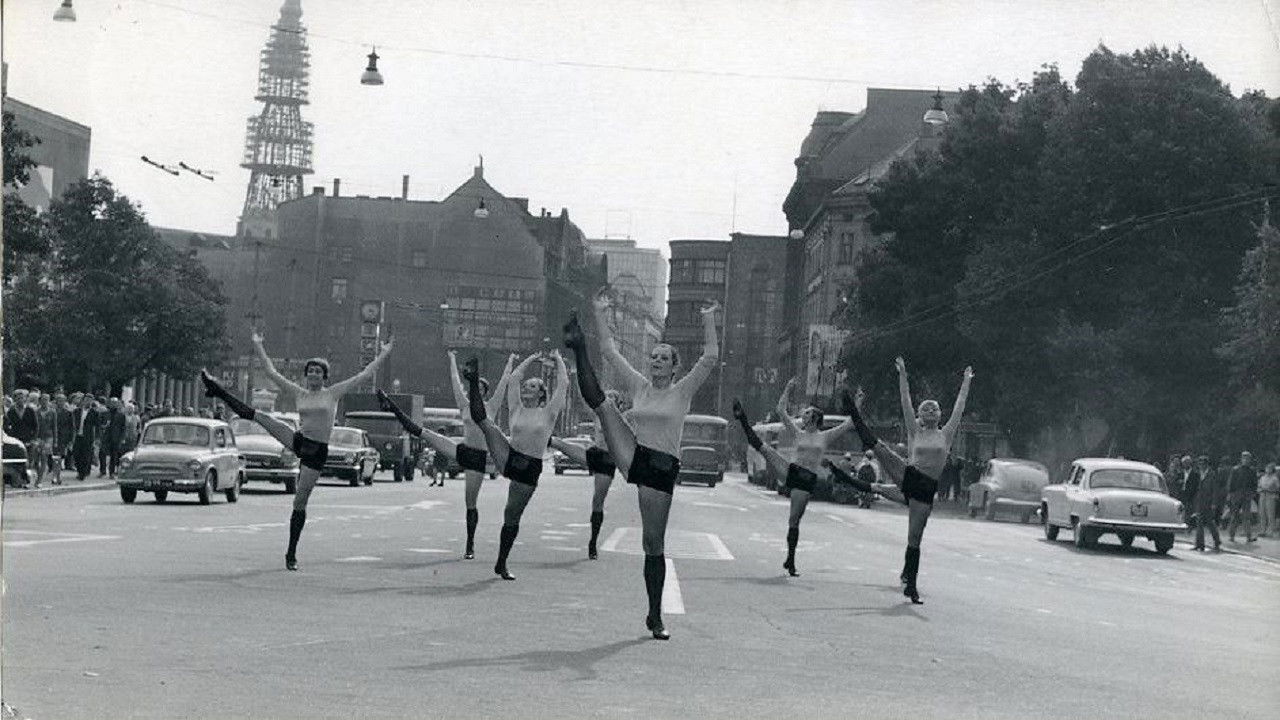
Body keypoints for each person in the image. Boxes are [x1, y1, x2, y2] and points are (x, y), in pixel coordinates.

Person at [564, 290, 720, 640]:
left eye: (664, 358)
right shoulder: (639, 386)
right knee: (604, 406)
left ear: (675, 366)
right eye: (654, 357)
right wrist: (600, 313)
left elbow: (710, 357)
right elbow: (611, 351)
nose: (657, 361)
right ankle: (577, 345)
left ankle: (654, 615)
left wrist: (709, 318)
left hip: (662, 468)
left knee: (653, 543)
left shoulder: (682, 391)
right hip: (636, 453)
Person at [200, 330, 394, 571]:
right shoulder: (300, 393)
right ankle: (215, 389)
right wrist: (258, 344)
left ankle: (291, 552)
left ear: (325, 377)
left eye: (318, 372)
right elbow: (272, 373)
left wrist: (384, 353)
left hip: (317, 451)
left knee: (300, 501)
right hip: (300, 440)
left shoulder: (333, 393)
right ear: (306, 375)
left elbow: (364, 374)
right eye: (310, 371)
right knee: (259, 416)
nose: (313, 374)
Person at [856, 357, 973, 604]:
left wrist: (966, 382)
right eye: (925, 408)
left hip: (926, 489)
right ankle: (912, 585)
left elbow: (960, 407)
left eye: (934, 408)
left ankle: (908, 577)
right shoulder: (914, 431)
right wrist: (903, 375)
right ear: (920, 415)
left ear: (940, 415)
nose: (930, 410)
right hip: (909, 476)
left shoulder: (946, 434)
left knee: (915, 538)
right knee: (882, 452)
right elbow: (905, 403)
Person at [459, 351, 568, 580]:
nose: (527, 388)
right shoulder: (516, 407)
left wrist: (558, 359)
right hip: (510, 456)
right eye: (526, 385)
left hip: (529, 467)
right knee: (486, 424)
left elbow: (563, 384)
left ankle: (501, 562)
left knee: (511, 515)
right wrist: (530, 359)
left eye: (533, 386)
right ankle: (473, 378)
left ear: (541, 394)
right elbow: (515, 378)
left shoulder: (548, 412)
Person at [731, 377, 855, 576]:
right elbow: (781, 411)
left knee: (794, 519)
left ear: (815, 418)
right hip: (792, 470)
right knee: (764, 449)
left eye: (807, 413)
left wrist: (857, 402)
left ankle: (790, 559)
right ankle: (742, 418)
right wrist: (787, 389)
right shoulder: (798, 433)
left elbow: (848, 424)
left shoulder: (825, 436)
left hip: (806, 479)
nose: (803, 416)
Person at [446, 351, 515, 557]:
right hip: (463, 449)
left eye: (480, 388)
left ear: (485, 392)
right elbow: (455, 382)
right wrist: (451, 359)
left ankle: (470, 544)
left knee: (470, 501)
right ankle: (469, 544)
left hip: (478, 455)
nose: (474, 391)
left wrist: (510, 362)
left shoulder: (491, 407)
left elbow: (503, 383)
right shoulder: (464, 405)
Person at [549, 390, 631, 560]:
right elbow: (588, 394)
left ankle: (593, 541)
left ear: (618, 404)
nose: (607, 401)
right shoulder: (598, 414)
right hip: (596, 452)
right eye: (606, 397)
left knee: (598, 500)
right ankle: (549, 440)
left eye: (612, 399)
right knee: (561, 446)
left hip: (609, 459)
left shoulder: (624, 418)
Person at [1191, 455, 1222, 552]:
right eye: (1199, 464)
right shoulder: (1198, 474)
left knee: (1210, 523)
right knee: (1199, 523)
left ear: (1206, 464)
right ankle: (1199, 544)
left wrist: (1214, 503)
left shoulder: (1212, 474)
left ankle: (1217, 541)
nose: (1201, 465)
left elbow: (1215, 490)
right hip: (1200, 501)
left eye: (1203, 463)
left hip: (1208, 502)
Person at [1227, 451, 1258, 543]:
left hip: (1247, 495)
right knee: (1234, 516)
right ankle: (1231, 535)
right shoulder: (1235, 469)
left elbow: (1254, 484)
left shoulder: (1252, 471)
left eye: (1248, 458)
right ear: (1241, 459)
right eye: (1244, 458)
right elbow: (1231, 483)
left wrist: (1253, 493)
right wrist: (1230, 494)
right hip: (1236, 495)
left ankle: (1248, 536)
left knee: (1246, 517)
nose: (1246, 460)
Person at [1257, 462, 1278, 537]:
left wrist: (1272, 490)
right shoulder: (1262, 478)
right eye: (1267, 468)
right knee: (1262, 513)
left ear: (1272, 470)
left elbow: (1278, 488)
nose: (1268, 469)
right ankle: (1262, 530)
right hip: (1262, 495)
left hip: (1270, 496)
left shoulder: (1274, 478)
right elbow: (1258, 486)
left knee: (1270, 513)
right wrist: (1260, 490)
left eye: (1270, 468)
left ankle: (1270, 530)